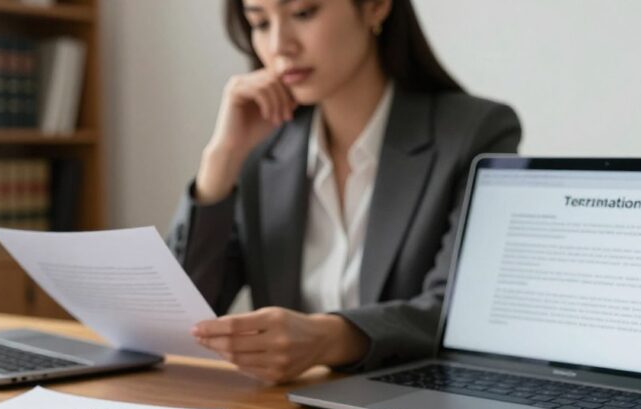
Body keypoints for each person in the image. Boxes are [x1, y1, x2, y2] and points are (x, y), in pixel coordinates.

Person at [168, 0, 521, 383]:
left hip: (414, 405)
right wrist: (221, 159)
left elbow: (460, 311)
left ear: (376, 7)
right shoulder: (263, 148)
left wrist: (328, 339)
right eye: (261, 23)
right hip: (284, 408)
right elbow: (181, 317)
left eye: (303, 13)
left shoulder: (476, 132)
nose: (280, 45)